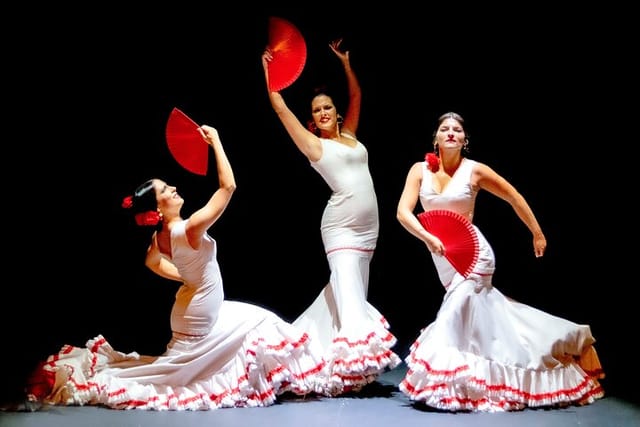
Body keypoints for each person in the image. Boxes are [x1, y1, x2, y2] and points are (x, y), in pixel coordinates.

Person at [24, 124, 326, 410]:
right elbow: (229, 186)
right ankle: (305, 378)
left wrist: (185, 277)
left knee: (258, 320)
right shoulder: (188, 229)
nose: (174, 189)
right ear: (158, 208)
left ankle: (294, 378)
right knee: (262, 324)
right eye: (167, 190)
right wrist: (216, 141)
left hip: (192, 309)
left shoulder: (162, 236)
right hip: (198, 318)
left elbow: (151, 261)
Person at [395, 111, 604, 412]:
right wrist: (426, 238)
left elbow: (513, 196)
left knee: (451, 316)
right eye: (445, 129)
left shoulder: (475, 171)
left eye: (457, 129)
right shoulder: (419, 170)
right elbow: (403, 212)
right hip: (442, 256)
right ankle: (481, 380)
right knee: (482, 327)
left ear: (465, 140)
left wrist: (537, 233)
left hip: (475, 255)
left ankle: (445, 386)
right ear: (436, 138)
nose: (451, 132)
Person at [261, 38, 400, 395]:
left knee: (340, 297)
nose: (323, 113)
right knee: (351, 298)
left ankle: (303, 354)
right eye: (317, 111)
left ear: (335, 113)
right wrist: (270, 75)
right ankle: (351, 368)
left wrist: (346, 64)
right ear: (312, 121)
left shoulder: (350, 135)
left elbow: (357, 96)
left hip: (368, 231)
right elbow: (281, 111)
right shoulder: (315, 146)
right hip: (340, 230)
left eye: (327, 108)